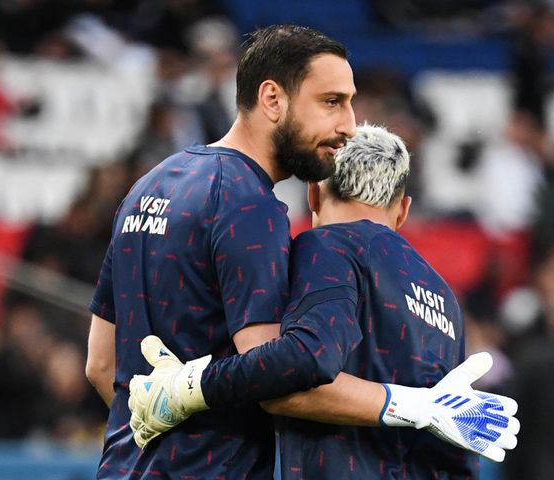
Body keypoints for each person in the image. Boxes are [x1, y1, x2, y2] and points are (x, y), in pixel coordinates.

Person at [127, 124, 520, 479]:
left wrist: (187, 389)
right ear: (403, 210)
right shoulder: (444, 296)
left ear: (313, 193)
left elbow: (295, 379)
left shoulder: (327, 247)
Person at [85, 24, 358, 479]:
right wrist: (405, 405)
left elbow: (100, 364)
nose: (349, 124)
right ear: (272, 99)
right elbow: (275, 381)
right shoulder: (249, 203)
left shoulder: (148, 185)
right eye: (332, 102)